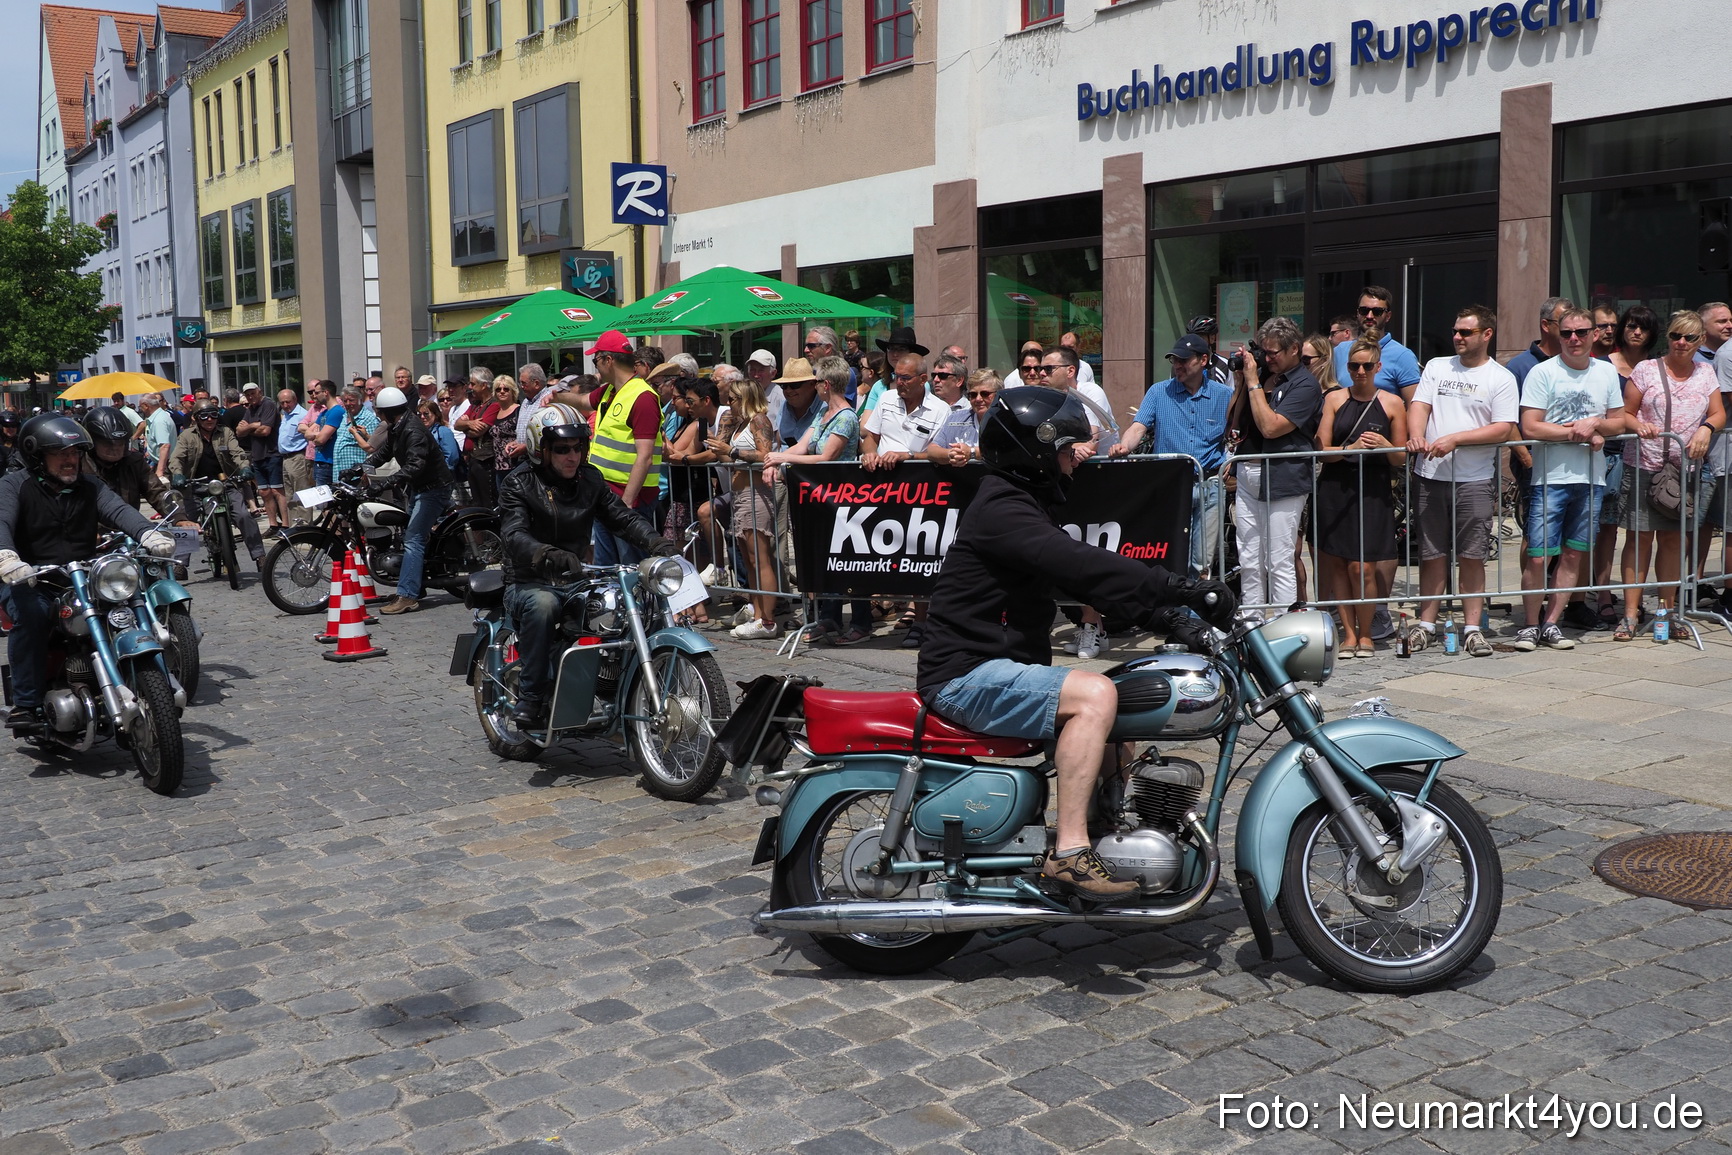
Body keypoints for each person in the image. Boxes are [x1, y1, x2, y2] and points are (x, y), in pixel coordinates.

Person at [918, 387, 1235, 901]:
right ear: (1035, 450)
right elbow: (1080, 564)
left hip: (991, 665)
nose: (1073, 459)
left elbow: (1081, 583)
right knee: (1095, 696)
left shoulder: (1019, 504)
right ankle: (1068, 852)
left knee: (1126, 701)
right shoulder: (1002, 508)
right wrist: (1181, 587)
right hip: (965, 674)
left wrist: (1168, 615)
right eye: (1066, 447)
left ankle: (1112, 833)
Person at [499, 405, 678, 729]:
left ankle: (613, 685)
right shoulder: (519, 483)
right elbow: (514, 534)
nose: (572, 456)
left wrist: (656, 542)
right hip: (529, 580)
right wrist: (546, 553)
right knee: (544, 605)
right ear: (542, 450)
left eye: (578, 447)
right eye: (562, 449)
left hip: (578, 578)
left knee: (627, 605)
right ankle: (531, 696)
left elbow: (620, 516)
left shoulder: (590, 479)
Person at [0, 416, 176, 731]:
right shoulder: (14, 485)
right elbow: (1, 520)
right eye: (60, 453)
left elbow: (119, 510)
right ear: (36, 455)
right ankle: (25, 703)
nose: (70, 460)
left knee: (126, 605)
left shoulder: (90, 485)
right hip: (28, 577)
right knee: (32, 615)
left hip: (84, 576)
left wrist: (147, 533)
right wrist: (7, 557)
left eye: (75, 453)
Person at [1404, 306, 1519, 658]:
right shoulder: (1437, 366)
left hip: (1474, 479)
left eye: (1466, 332)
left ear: (1487, 334)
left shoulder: (1500, 377)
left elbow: (1502, 428)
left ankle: (1472, 628)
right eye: (1455, 330)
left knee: (1472, 556)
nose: (1457, 337)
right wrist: (1416, 436)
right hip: (1431, 475)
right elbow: (1419, 405)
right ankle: (1426, 624)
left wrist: (1456, 439)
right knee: (1431, 553)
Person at [1516, 307, 1628, 651]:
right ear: (1556, 334)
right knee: (1537, 555)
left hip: (1590, 479)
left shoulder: (1606, 372)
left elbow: (1619, 422)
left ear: (1595, 333)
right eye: (1567, 333)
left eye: (1581, 332)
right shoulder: (1542, 372)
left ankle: (1552, 623)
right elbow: (1530, 425)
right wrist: (1575, 434)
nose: (1574, 339)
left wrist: (1594, 425)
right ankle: (1530, 625)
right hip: (1550, 478)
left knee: (1573, 555)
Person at [1614, 311, 1725, 641]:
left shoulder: (1706, 373)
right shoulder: (1647, 369)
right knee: (1639, 538)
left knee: (1674, 541)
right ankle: (1631, 615)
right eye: (1676, 335)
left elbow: (1718, 412)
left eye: (1689, 338)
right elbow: (1625, 413)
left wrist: (1706, 429)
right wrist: (1640, 426)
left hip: (1683, 472)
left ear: (1700, 341)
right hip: (1644, 466)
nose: (1681, 342)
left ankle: (1667, 611)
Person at [767, 355, 871, 645]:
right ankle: (830, 616)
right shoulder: (823, 413)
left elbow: (826, 457)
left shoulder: (847, 417)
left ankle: (862, 622)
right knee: (828, 561)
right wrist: (780, 460)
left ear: (826, 384)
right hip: (822, 501)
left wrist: (781, 457)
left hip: (845, 500)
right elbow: (803, 445)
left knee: (850, 562)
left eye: (816, 381)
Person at [1314, 339, 1408, 658]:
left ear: (1378, 367)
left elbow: (1401, 458)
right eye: (1355, 366)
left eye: (1368, 366)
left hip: (1373, 490)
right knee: (1339, 564)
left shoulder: (1393, 403)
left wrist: (1383, 443)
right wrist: (1349, 449)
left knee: (1363, 567)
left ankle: (1367, 633)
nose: (1361, 372)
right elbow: (1321, 451)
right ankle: (1349, 634)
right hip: (1336, 488)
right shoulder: (1335, 399)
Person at [1111, 334, 1233, 578]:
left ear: (1203, 360)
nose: (1178, 365)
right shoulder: (1158, 392)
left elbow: (1236, 434)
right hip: (1172, 486)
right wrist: (1124, 446)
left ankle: (1192, 613)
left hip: (1210, 485)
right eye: (1174, 360)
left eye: (1184, 360)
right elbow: (1138, 427)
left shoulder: (1224, 395)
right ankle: (1173, 613)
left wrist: (1231, 458)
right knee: (1172, 555)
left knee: (1202, 562)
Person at [1229, 317, 1324, 616]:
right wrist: (1243, 383)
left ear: (1294, 349)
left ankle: (1283, 623)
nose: (1267, 359)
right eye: (1263, 352)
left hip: (1283, 475)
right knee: (1249, 557)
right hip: (1248, 471)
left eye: (1273, 353)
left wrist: (1255, 381)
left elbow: (1271, 428)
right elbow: (1233, 424)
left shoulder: (1305, 384)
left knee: (1278, 558)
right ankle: (1252, 620)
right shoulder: (1261, 377)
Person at [704, 369, 781, 639]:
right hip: (740, 496)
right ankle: (758, 613)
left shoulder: (759, 421)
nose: (730, 403)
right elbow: (730, 461)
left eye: (735, 399)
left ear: (746, 398)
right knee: (749, 560)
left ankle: (768, 620)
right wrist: (720, 448)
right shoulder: (739, 424)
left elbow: (764, 455)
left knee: (760, 559)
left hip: (756, 494)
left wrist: (732, 451)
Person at [579, 331, 664, 565]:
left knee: (633, 568)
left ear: (609, 360)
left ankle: (640, 604)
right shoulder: (610, 391)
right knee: (608, 569)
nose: (595, 367)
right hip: (606, 495)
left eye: (596, 360)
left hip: (629, 500)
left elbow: (645, 457)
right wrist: (555, 397)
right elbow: (582, 401)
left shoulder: (643, 396)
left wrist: (626, 503)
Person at [367, 386, 453, 615]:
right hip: (420, 488)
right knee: (410, 535)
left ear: (387, 411)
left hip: (434, 488)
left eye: (379, 411)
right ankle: (416, 583)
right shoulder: (398, 425)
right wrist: (360, 468)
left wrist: (386, 483)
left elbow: (415, 465)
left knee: (413, 539)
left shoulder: (413, 430)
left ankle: (407, 596)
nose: (377, 414)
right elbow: (385, 452)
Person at [169, 401, 266, 571]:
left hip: (225, 484)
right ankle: (180, 565)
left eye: (213, 415)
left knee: (244, 515)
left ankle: (260, 556)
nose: (209, 419)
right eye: (204, 416)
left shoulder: (225, 433)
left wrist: (244, 468)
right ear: (196, 418)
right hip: (195, 486)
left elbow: (237, 453)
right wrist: (177, 474)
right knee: (186, 521)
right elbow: (176, 458)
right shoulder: (186, 436)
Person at [82, 407, 185, 521]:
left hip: (130, 530)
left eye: (120, 443)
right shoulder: (78, 467)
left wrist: (179, 517)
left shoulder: (134, 462)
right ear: (92, 442)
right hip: (89, 531)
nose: (115, 448)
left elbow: (156, 491)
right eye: (108, 443)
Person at [1331, 286, 1422, 401]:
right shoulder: (1340, 351)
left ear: (1388, 316)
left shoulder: (1403, 356)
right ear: (1358, 313)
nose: (1369, 316)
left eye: (1377, 312)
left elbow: (1413, 406)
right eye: (1364, 311)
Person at [235, 382, 285, 530]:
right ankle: (273, 525)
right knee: (263, 491)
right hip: (257, 455)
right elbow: (238, 431)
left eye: (253, 393)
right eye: (248, 394)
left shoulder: (268, 405)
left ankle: (286, 525)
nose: (250, 397)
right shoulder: (250, 409)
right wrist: (255, 425)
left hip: (272, 453)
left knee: (277, 490)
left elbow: (265, 431)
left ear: (259, 391)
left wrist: (248, 428)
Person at [928, 368, 999, 463]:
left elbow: (1006, 451)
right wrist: (951, 454)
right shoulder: (956, 419)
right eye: (973, 395)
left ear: (998, 395)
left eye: (985, 394)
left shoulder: (1008, 421)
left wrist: (971, 452)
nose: (978, 399)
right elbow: (932, 450)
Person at [453, 369, 500, 506]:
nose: (470, 387)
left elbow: (480, 430)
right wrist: (469, 423)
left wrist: (466, 427)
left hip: (486, 461)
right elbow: (457, 424)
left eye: (473, 384)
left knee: (488, 500)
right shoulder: (475, 405)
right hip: (473, 459)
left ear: (484, 385)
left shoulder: (494, 404)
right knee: (477, 501)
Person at [330, 385, 379, 480]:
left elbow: (375, 448)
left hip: (357, 476)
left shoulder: (369, 419)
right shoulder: (344, 416)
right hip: (340, 474)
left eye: (352, 400)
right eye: (345, 401)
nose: (348, 403)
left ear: (360, 400)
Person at [277, 388, 311, 504]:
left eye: (288, 402)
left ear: (295, 399)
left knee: (301, 495)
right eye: (282, 403)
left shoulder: (303, 415)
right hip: (286, 459)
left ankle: (304, 522)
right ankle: (294, 522)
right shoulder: (285, 415)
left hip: (298, 458)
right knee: (290, 498)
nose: (285, 405)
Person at [489, 376, 522, 495]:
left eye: (506, 389)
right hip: (499, 467)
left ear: (512, 391)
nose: (502, 391)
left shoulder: (519, 410)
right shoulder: (496, 412)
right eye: (498, 389)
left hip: (515, 465)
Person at [139, 394, 177, 480]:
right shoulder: (159, 417)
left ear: (146, 406)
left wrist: (160, 471)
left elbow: (165, 446)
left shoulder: (159, 421)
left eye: (140, 406)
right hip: (160, 463)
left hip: (165, 466)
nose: (140, 409)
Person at [421, 400, 462, 476]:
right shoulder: (421, 433)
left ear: (435, 415)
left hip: (443, 478)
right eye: (419, 414)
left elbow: (452, 457)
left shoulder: (443, 431)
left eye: (426, 414)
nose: (422, 417)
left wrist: (441, 472)